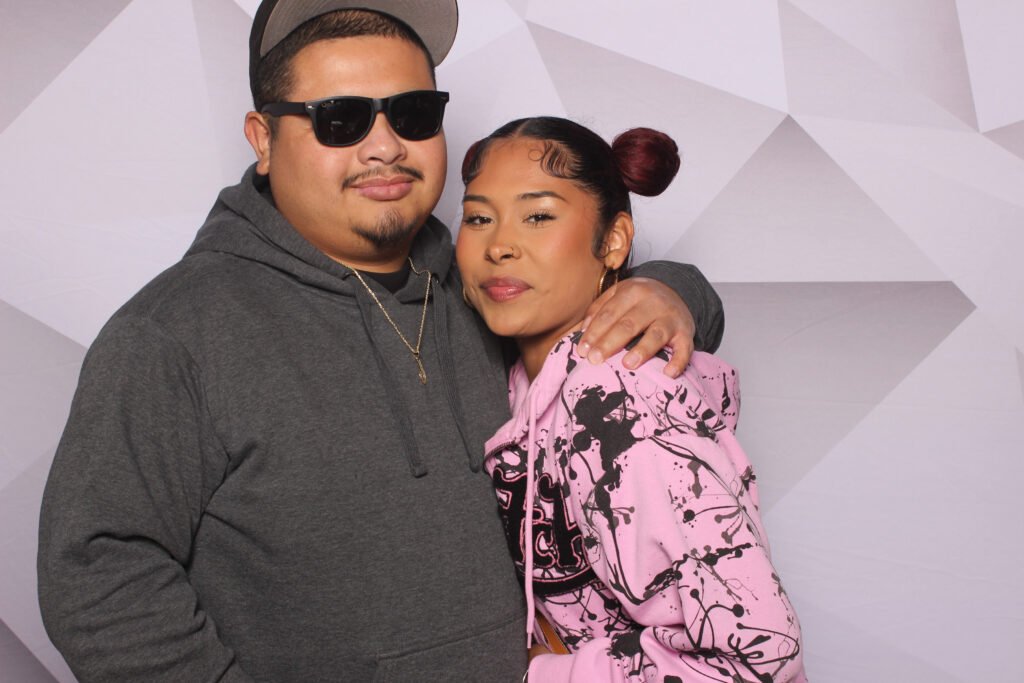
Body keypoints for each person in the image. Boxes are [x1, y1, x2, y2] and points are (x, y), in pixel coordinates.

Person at [37, 2, 725, 682]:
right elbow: (96, 578)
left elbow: (620, 292)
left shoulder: (486, 287)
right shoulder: (175, 333)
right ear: (263, 139)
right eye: (341, 119)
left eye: (413, 114)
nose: (386, 146)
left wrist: (671, 291)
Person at [456, 116, 805, 682]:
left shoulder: (616, 403)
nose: (499, 246)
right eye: (478, 218)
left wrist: (543, 676)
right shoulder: (523, 378)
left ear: (613, 241)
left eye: (538, 216)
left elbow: (761, 656)